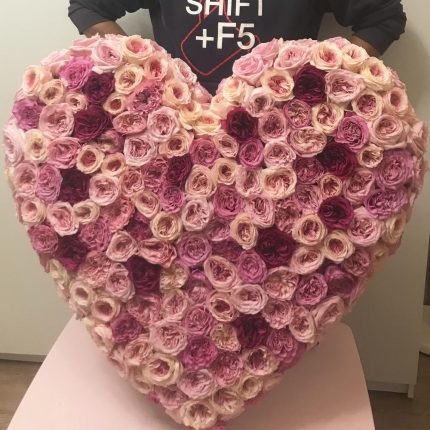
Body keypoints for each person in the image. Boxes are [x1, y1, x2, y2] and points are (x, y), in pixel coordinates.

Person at [68, 0, 406, 93]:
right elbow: (87, 6)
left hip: (281, 141)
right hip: (176, 135)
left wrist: (325, 83)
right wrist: (140, 67)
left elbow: (383, 18)